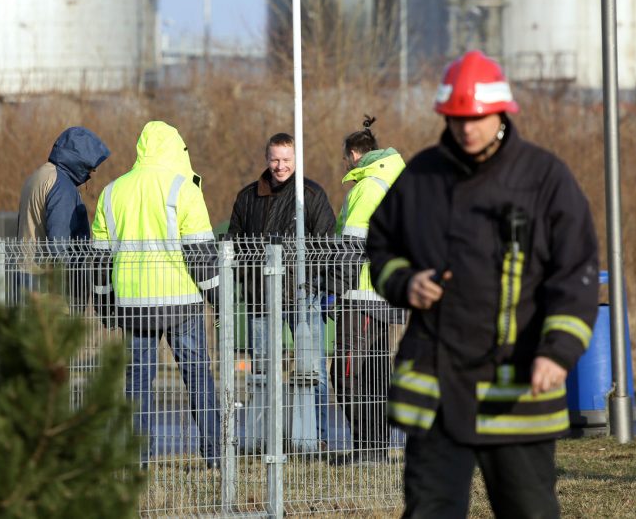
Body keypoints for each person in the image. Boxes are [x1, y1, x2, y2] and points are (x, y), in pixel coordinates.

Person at [366, 51, 598, 518]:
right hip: (434, 389)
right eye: (456, 119)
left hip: (515, 388)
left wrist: (557, 352)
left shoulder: (544, 178)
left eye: (476, 118)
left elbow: (576, 273)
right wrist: (407, 283)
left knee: (529, 511)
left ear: (501, 114)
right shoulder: (421, 176)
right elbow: (381, 249)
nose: (466, 128)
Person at [91, 121, 220, 469]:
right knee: (198, 378)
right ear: (178, 149)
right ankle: (215, 456)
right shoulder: (184, 188)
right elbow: (201, 255)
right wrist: (218, 299)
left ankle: (138, 460)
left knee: (138, 381)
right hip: (181, 302)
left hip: (133, 304)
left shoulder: (111, 192)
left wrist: (104, 303)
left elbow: (100, 260)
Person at [227, 132, 337, 450]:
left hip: (304, 297)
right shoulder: (247, 197)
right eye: (275, 159)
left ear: (295, 160)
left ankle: (317, 438)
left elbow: (327, 243)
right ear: (266, 159)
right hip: (261, 299)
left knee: (312, 369)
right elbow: (235, 244)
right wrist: (248, 280)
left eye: (286, 160)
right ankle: (268, 439)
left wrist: (314, 286)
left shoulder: (311, 194)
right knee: (262, 369)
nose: (280, 166)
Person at [334, 116, 405, 464]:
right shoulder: (394, 183)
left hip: (362, 294)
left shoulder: (368, 188)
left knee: (347, 373)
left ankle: (368, 447)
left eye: (345, 159)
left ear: (353, 154)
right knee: (376, 373)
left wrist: (335, 289)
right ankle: (376, 447)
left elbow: (352, 246)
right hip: (387, 293)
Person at [17, 126, 110, 241]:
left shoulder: (37, 176)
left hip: (24, 257)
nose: (93, 171)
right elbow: (59, 246)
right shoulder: (62, 187)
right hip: (45, 259)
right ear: (81, 161)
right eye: (91, 166)